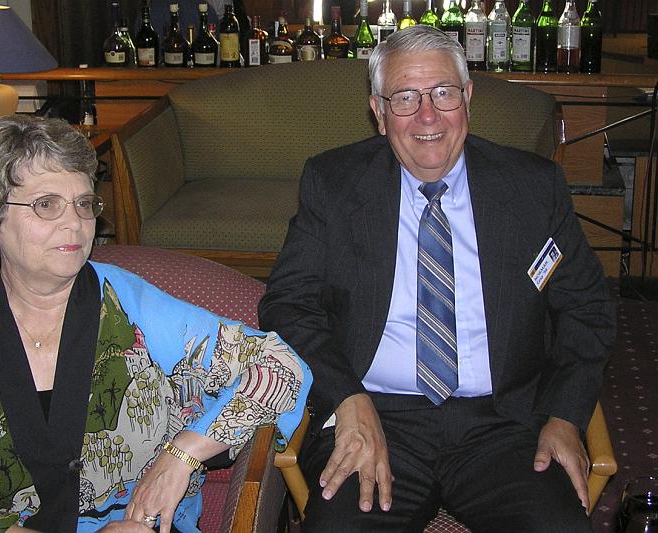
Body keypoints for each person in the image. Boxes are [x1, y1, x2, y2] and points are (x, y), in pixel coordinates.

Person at [258, 25, 616, 532]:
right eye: (405, 98)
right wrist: (346, 397)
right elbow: (287, 304)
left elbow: (587, 309)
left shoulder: (532, 188)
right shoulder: (333, 184)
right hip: (378, 418)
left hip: (505, 423)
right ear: (379, 113)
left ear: (468, 98)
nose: (428, 116)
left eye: (443, 93)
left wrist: (564, 415)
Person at [0, 115, 311, 533]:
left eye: (83, 203)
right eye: (46, 204)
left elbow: (281, 367)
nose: (74, 223)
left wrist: (181, 455)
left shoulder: (131, 308)